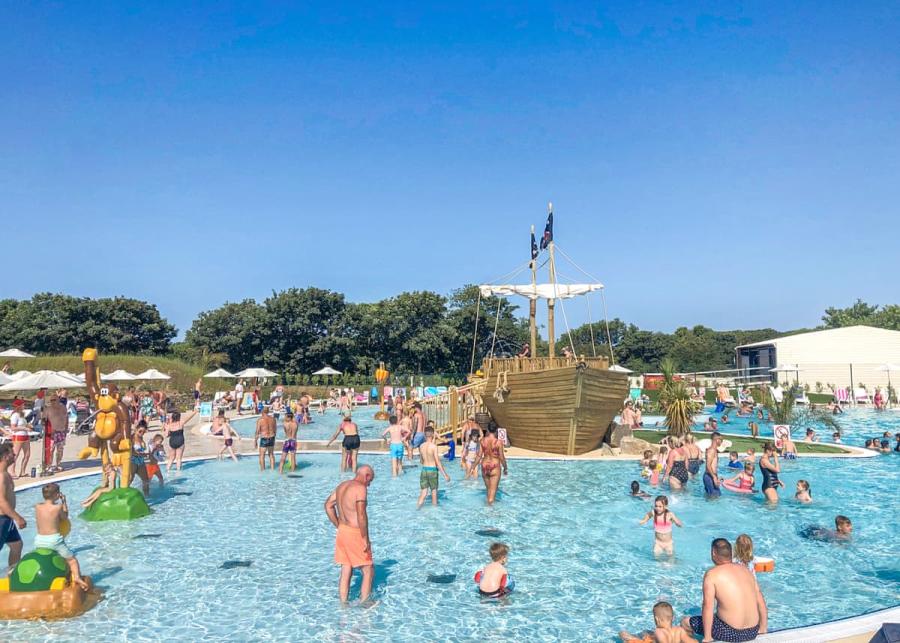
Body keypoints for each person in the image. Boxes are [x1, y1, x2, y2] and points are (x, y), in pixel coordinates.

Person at [680, 538, 767, 642]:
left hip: (730, 632)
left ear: (713, 553)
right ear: (731, 553)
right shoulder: (746, 570)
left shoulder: (712, 574)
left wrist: (707, 637)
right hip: (752, 631)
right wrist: (763, 628)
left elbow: (708, 606)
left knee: (685, 622)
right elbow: (761, 601)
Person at [323, 465, 375, 603]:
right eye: (370, 481)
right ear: (367, 476)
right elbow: (361, 516)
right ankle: (365, 603)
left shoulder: (342, 485)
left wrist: (338, 524)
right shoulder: (360, 488)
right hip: (355, 533)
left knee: (346, 567)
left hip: (343, 531)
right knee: (368, 569)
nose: (369, 485)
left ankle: (343, 604)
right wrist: (366, 539)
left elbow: (328, 505)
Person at [34, 483, 89, 590]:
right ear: (57, 495)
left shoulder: (37, 507)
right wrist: (64, 502)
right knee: (72, 560)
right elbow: (65, 517)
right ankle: (77, 578)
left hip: (39, 540)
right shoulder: (57, 507)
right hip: (54, 541)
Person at [0, 443, 26, 569]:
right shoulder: (1, 476)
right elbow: (2, 501)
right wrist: (18, 518)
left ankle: (11, 575)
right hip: (2, 519)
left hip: (6, 519)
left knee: (17, 545)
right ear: (5, 456)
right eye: (12, 453)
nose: (14, 455)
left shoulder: (5, 474)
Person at [620, 601, 695, 643]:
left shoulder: (659, 632)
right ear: (673, 617)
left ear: (656, 619)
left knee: (623, 635)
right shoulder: (679, 630)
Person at [417, 427, 451, 508]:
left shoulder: (421, 446)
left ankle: (418, 509)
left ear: (425, 435)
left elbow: (421, 461)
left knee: (423, 493)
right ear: (432, 435)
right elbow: (438, 462)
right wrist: (445, 475)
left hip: (424, 470)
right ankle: (434, 514)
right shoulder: (434, 446)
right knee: (434, 493)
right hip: (432, 470)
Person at [475, 423, 508, 505]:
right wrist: (505, 467)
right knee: (492, 496)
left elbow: (479, 456)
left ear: (488, 430)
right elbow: (501, 457)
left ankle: (488, 506)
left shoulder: (482, 441)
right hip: (494, 467)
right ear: (496, 430)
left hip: (484, 466)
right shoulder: (498, 442)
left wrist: (473, 466)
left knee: (488, 491)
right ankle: (490, 513)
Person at [164, 409, 197, 474]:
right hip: (180, 441)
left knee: (171, 458)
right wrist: (195, 412)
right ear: (179, 417)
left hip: (172, 442)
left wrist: (167, 428)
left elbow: (166, 435)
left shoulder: (169, 425)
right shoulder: (181, 423)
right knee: (178, 458)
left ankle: (167, 471)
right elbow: (189, 417)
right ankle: (178, 471)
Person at [45, 392, 69, 473]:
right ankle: (49, 465)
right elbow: (43, 421)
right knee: (51, 450)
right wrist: (48, 430)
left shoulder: (63, 408)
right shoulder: (48, 409)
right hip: (52, 433)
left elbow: (67, 418)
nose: (52, 402)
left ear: (58, 399)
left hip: (61, 431)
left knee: (60, 450)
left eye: (54, 400)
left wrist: (66, 429)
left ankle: (58, 464)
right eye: (51, 400)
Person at [8, 399, 32, 478]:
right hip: (18, 436)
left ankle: (22, 471)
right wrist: (25, 428)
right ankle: (12, 471)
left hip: (25, 436)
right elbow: (13, 428)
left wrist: (27, 426)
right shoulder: (15, 415)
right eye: (23, 405)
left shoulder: (21, 414)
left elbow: (21, 425)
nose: (24, 406)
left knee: (27, 454)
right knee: (15, 454)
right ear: (19, 406)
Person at [131, 421, 152, 496]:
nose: (142, 433)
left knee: (146, 481)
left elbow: (144, 450)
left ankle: (147, 497)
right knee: (129, 480)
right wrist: (142, 454)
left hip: (141, 462)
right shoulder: (131, 438)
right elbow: (130, 452)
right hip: (132, 462)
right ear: (136, 429)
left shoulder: (141, 438)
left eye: (143, 432)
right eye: (140, 431)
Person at [254, 406, 277, 472]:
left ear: (262, 412)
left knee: (262, 455)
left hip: (264, 438)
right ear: (268, 411)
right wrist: (274, 439)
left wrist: (255, 441)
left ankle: (262, 470)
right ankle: (272, 469)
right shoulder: (273, 419)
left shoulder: (260, 420)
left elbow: (257, 431)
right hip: (272, 437)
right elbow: (275, 430)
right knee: (271, 454)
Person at [703, 432, 723, 497]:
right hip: (709, 476)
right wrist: (714, 477)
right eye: (721, 440)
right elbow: (708, 465)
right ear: (717, 440)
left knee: (716, 496)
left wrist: (716, 476)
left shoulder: (714, 450)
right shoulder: (711, 450)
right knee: (714, 497)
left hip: (712, 475)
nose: (721, 442)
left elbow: (713, 466)